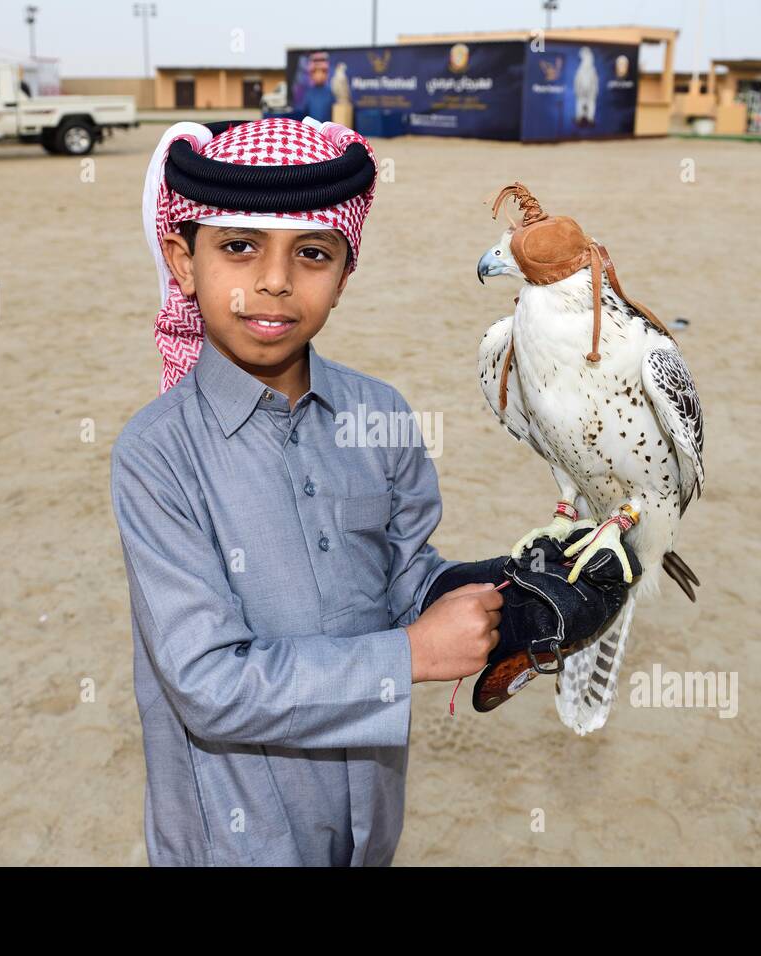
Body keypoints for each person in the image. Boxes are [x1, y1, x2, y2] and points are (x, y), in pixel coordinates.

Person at [111, 116, 633, 866]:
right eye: (238, 247)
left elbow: (401, 576)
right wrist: (412, 655)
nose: (275, 281)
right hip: (233, 835)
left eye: (312, 254)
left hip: (365, 818)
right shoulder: (157, 455)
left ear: (345, 273)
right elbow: (207, 685)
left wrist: (501, 596)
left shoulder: (381, 415)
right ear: (183, 262)